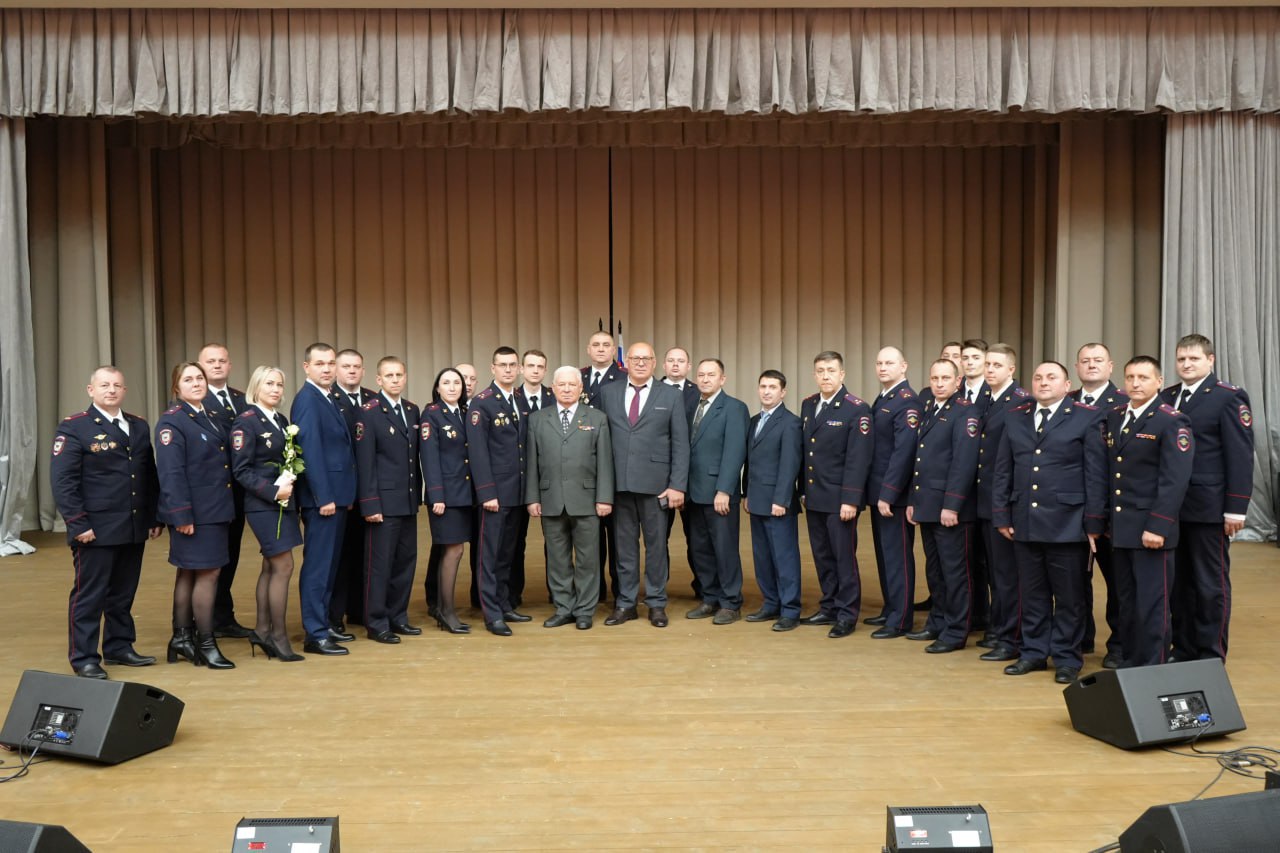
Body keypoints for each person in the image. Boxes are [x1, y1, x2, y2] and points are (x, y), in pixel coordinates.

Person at [993, 361, 1107, 683]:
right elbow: (1004, 469)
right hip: (1025, 520)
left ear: (1066, 383)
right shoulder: (1015, 417)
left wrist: (1094, 523)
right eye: (1038, 377)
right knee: (1032, 594)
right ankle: (1033, 653)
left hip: (1068, 523)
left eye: (1051, 377)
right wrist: (1002, 513)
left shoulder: (1086, 417)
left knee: (1070, 597)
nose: (1043, 383)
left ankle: (1068, 658)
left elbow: (1095, 475)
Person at [51, 366, 162, 679]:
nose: (111, 390)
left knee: (123, 593)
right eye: (104, 385)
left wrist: (153, 516)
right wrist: (76, 522)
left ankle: (119, 646)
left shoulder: (138, 426)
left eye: (117, 385)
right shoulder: (75, 427)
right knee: (90, 594)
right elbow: (63, 481)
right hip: (95, 529)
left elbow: (147, 475)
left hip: (133, 524)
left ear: (124, 391)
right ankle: (84, 657)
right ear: (91, 390)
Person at [1161, 334, 1254, 662]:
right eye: (1181, 359)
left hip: (1209, 508)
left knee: (1209, 584)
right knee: (1178, 584)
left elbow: (1240, 456)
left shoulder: (1228, 398)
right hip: (1171, 510)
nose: (1186, 364)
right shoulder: (1168, 396)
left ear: (1210, 361)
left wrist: (1236, 508)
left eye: (1194, 359)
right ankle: (1183, 648)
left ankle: (1210, 654)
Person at [1105, 356, 1194, 668]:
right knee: (1127, 601)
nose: (1135, 383)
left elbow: (1174, 480)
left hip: (1151, 530)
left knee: (1153, 604)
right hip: (1122, 528)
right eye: (1130, 377)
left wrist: (1158, 526)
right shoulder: (1117, 417)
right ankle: (1130, 660)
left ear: (1159, 382)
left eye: (1143, 377)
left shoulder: (1171, 421)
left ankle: (1152, 666)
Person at [599, 341, 690, 628]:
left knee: (656, 548)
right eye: (635, 358)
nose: (640, 363)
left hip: (657, 487)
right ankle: (625, 603)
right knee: (623, 549)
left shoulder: (671, 395)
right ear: (626, 363)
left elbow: (681, 443)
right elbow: (600, 442)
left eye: (646, 358)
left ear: (654, 364)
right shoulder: (608, 393)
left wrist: (677, 485)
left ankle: (656, 603)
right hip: (620, 486)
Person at [154, 362, 237, 669]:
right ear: (177, 388)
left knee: (189, 572)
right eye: (188, 379)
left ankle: (181, 637)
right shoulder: (172, 422)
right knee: (208, 573)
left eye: (199, 378)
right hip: (195, 513)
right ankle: (205, 642)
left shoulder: (210, 417)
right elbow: (171, 473)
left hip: (214, 508)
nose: (197, 383)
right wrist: (180, 515)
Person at [525, 366, 615, 629]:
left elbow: (605, 463)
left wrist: (604, 498)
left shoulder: (597, 418)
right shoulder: (538, 419)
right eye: (561, 385)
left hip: (587, 500)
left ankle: (585, 610)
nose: (566, 389)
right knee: (557, 558)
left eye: (571, 385)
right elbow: (532, 462)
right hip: (551, 499)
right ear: (552, 388)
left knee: (588, 559)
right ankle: (564, 607)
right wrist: (533, 497)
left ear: (580, 389)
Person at [229, 365, 305, 662]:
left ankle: (262, 631)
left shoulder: (281, 419)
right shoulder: (246, 422)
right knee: (284, 566)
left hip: (284, 502)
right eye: (269, 384)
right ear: (256, 387)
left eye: (279, 384)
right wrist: (273, 491)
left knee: (271, 568)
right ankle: (278, 636)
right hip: (264, 505)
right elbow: (241, 470)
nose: (275, 389)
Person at [904, 358, 979, 654]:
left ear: (957, 382)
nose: (938, 383)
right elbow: (920, 462)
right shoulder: (929, 408)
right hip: (927, 504)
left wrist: (952, 506)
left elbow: (963, 463)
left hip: (950, 510)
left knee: (955, 572)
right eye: (934, 378)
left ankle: (956, 630)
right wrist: (913, 500)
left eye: (945, 378)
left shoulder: (965, 412)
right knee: (935, 570)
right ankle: (937, 621)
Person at [798, 351, 873, 638]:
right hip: (816, 496)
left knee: (844, 557)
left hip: (840, 499)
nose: (825, 376)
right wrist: (803, 490)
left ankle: (846, 613)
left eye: (831, 370)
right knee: (822, 556)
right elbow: (809, 454)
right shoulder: (809, 405)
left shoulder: (856, 409)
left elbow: (858, 458)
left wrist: (851, 499)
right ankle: (828, 605)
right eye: (820, 371)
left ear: (842, 374)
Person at [291, 342, 358, 656]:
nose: (327, 369)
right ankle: (314, 633)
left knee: (330, 564)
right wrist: (324, 497)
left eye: (331, 363)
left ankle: (325, 623)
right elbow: (311, 450)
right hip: (324, 499)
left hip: (337, 496)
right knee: (318, 565)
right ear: (307, 367)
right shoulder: (307, 400)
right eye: (320, 364)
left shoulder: (326, 397)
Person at [355, 357, 422, 644]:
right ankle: (377, 621)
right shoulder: (368, 413)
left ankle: (399, 616)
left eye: (399, 375)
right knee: (379, 565)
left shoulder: (412, 410)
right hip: (382, 502)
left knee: (405, 561)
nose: (395, 380)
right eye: (389, 376)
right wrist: (370, 503)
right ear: (378, 380)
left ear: (405, 377)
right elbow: (365, 462)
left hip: (407, 499)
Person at [466, 346, 531, 636]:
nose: (508, 370)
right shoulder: (482, 403)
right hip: (495, 494)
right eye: (502, 365)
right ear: (492, 369)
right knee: (488, 556)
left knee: (508, 553)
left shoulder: (519, 399)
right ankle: (491, 613)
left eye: (512, 365)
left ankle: (504, 603)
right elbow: (478, 454)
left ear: (518, 369)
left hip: (516, 492)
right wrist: (486, 492)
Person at [973, 343, 1030, 663]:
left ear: (1011, 369)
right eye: (988, 365)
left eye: (996, 365)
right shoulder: (984, 398)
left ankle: (1013, 637)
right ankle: (999, 629)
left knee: (1009, 576)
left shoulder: (1020, 402)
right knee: (995, 572)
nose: (990, 370)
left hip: (1004, 500)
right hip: (984, 499)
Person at [1072, 342, 1128, 666]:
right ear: (1077, 368)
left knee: (1117, 583)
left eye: (1098, 360)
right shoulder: (1066, 403)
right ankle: (1080, 638)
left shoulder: (1123, 403)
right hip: (1069, 510)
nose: (1091, 365)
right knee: (1074, 581)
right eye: (1085, 361)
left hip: (1110, 512)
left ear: (1110, 367)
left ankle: (1119, 644)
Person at [683, 358, 750, 624]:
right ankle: (709, 598)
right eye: (701, 375)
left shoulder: (734, 408)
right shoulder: (689, 407)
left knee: (724, 549)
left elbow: (735, 453)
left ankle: (731, 602)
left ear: (722, 379)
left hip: (719, 494)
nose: (705, 379)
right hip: (693, 492)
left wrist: (724, 490)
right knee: (700, 549)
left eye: (711, 375)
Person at [863, 347, 922, 637]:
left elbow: (903, 453)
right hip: (879, 493)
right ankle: (891, 608)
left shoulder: (906, 402)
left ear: (904, 366)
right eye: (879, 362)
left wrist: (888, 493)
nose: (883, 367)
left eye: (889, 363)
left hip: (894, 497)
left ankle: (901, 619)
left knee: (898, 557)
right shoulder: (886, 397)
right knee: (885, 556)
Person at [743, 370, 804, 632]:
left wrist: (781, 500)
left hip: (778, 503)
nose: (766, 391)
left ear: (783, 392)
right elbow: (750, 462)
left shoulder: (790, 423)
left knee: (784, 557)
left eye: (772, 387)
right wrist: (745, 494)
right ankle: (770, 603)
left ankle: (790, 609)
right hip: (757, 499)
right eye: (763, 386)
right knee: (763, 556)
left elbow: (790, 464)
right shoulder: (755, 420)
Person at [198, 343, 251, 640]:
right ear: (200, 366)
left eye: (222, 361)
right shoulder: (193, 400)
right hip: (211, 495)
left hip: (239, 494)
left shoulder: (242, 399)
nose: (217, 365)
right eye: (210, 361)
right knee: (208, 562)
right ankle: (198, 621)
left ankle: (222, 617)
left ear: (230, 366)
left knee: (230, 557)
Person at [424, 362, 482, 615]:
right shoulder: (432, 414)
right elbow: (429, 457)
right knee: (453, 550)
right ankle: (446, 611)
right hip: (445, 496)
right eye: (446, 382)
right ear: (437, 387)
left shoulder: (467, 412)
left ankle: (443, 609)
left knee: (456, 550)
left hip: (466, 493)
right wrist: (437, 494)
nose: (453, 387)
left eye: (457, 382)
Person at [330, 347, 375, 633]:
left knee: (365, 553)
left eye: (357, 366)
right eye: (346, 366)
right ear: (336, 369)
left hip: (369, 491)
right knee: (339, 557)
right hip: (340, 492)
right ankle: (334, 616)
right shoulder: (329, 400)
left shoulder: (372, 399)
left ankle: (360, 610)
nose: (352, 371)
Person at [511, 349, 555, 608]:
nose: (535, 370)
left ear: (545, 370)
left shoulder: (554, 396)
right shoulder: (511, 398)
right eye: (530, 366)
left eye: (540, 366)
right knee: (516, 542)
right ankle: (513, 595)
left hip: (550, 479)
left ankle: (556, 593)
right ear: (521, 370)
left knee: (556, 541)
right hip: (518, 480)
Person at [661, 345, 700, 597]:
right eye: (671, 360)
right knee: (657, 540)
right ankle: (657, 589)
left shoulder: (700, 393)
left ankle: (702, 587)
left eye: (681, 361)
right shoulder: (651, 391)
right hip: (658, 479)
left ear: (688, 367)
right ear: (663, 365)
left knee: (696, 539)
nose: (675, 365)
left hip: (692, 479)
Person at [581, 330, 628, 408]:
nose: (601, 349)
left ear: (614, 350)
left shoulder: (626, 377)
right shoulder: (579, 376)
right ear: (588, 350)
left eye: (606, 345)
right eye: (596, 345)